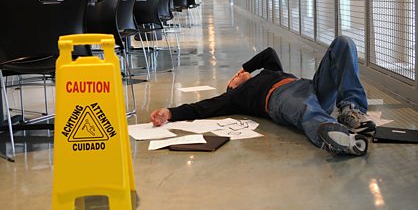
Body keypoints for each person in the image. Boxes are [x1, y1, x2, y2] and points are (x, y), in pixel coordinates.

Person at [151, 36, 375, 156]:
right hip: (281, 99)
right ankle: (336, 136)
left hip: (310, 87)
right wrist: (170, 112)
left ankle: (350, 110)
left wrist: (245, 67)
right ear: (231, 86)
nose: (239, 75)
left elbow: (269, 52)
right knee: (306, 109)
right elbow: (204, 107)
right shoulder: (236, 96)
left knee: (343, 43)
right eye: (235, 77)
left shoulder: (270, 70)